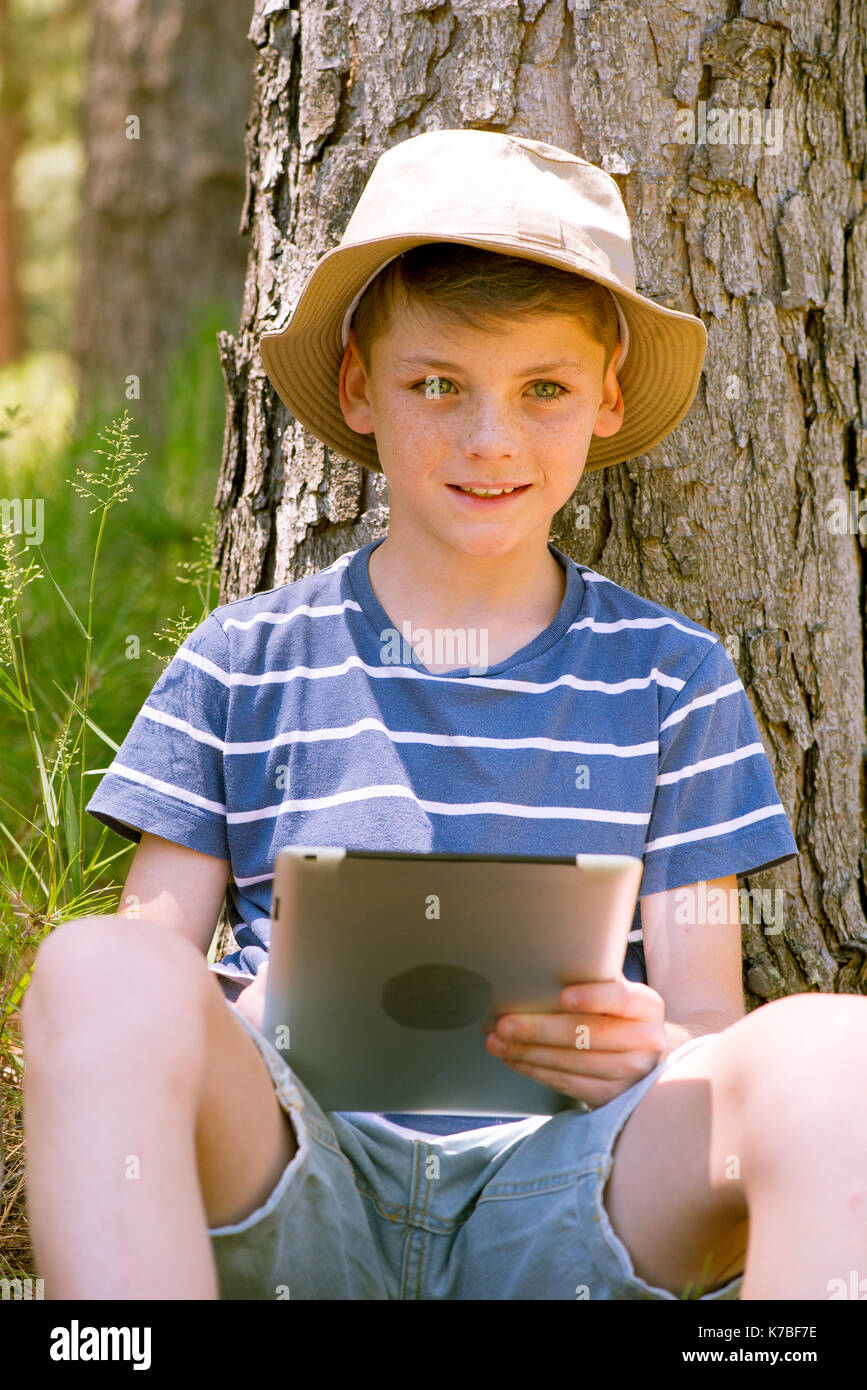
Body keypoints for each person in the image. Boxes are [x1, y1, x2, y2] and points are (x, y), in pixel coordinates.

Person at [21, 130, 867, 1301]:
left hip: (567, 1194)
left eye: (544, 390)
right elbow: (137, 993)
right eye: (437, 385)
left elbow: (707, 1021)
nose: (491, 440)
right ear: (361, 389)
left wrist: (649, 1045)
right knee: (88, 964)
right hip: (300, 1179)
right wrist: (262, 1010)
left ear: (606, 400)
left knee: (839, 1051)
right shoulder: (242, 661)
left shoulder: (674, 678)